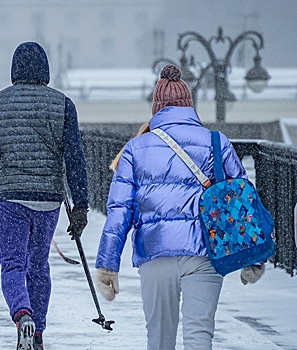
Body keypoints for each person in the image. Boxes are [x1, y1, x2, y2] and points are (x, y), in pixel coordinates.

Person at [95, 64, 265, 350]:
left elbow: (120, 211)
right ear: (189, 106)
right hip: (205, 252)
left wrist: (108, 264)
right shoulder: (216, 142)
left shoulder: (136, 148)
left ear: (156, 108)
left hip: (155, 252)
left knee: (159, 340)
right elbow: (243, 203)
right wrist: (253, 257)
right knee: (199, 336)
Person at [0, 42, 89, 350]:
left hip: (10, 198)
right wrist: (81, 207)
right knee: (38, 265)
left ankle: (22, 315)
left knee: (13, 263)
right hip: (48, 198)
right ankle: (37, 333)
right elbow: (75, 157)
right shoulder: (63, 104)